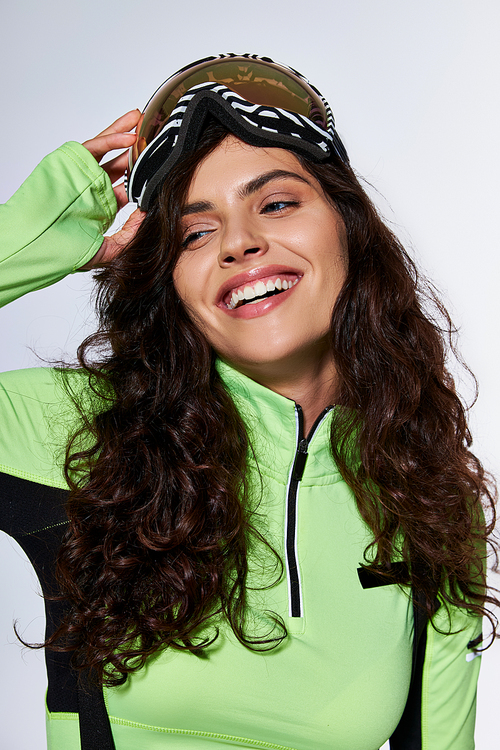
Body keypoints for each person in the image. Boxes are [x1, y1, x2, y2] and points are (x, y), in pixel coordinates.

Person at [0, 54, 497, 750]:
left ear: (347, 227)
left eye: (277, 203)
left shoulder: (427, 497)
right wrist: (21, 242)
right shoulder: (75, 433)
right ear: (168, 277)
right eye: (196, 232)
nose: (240, 243)